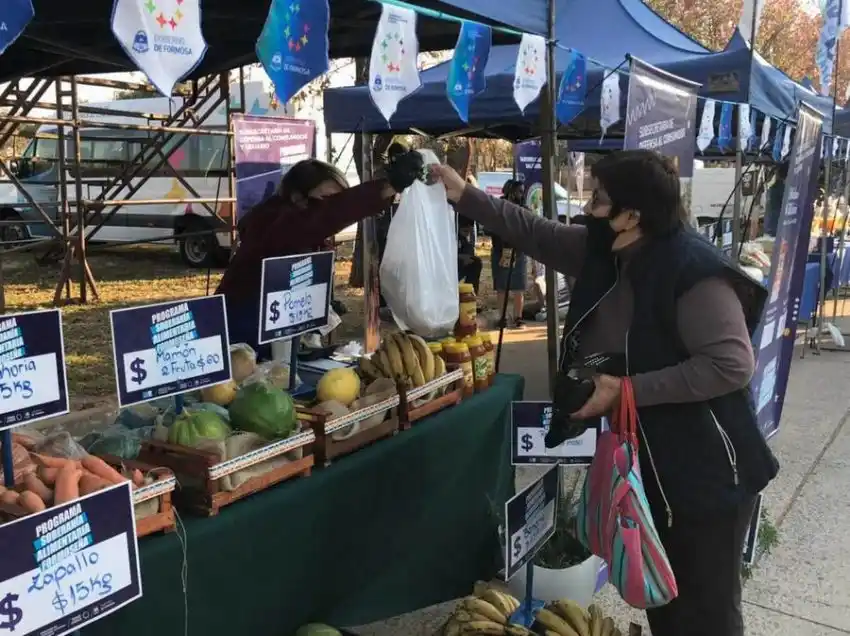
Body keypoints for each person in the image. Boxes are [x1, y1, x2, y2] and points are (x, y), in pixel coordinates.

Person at [430, 150, 779, 636]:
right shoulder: (606, 250)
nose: (588, 207)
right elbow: (533, 231)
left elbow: (732, 365)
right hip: (650, 462)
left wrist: (626, 390)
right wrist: (462, 193)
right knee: (663, 594)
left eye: (598, 199)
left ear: (631, 215)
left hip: (707, 472)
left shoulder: (693, 270)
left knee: (708, 610)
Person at [217, 154, 423, 359]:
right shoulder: (275, 221)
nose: (330, 209)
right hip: (240, 334)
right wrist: (386, 188)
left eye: (339, 197)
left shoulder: (309, 231)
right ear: (297, 196)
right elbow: (325, 216)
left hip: (280, 336)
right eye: (325, 201)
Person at [491, 180, 531, 328]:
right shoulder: (498, 206)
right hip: (500, 250)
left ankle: (518, 317)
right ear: (510, 191)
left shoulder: (523, 208)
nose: (521, 194)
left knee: (519, 286)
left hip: (519, 251)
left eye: (522, 191)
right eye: (519, 191)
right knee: (502, 286)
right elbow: (490, 227)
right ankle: (502, 317)